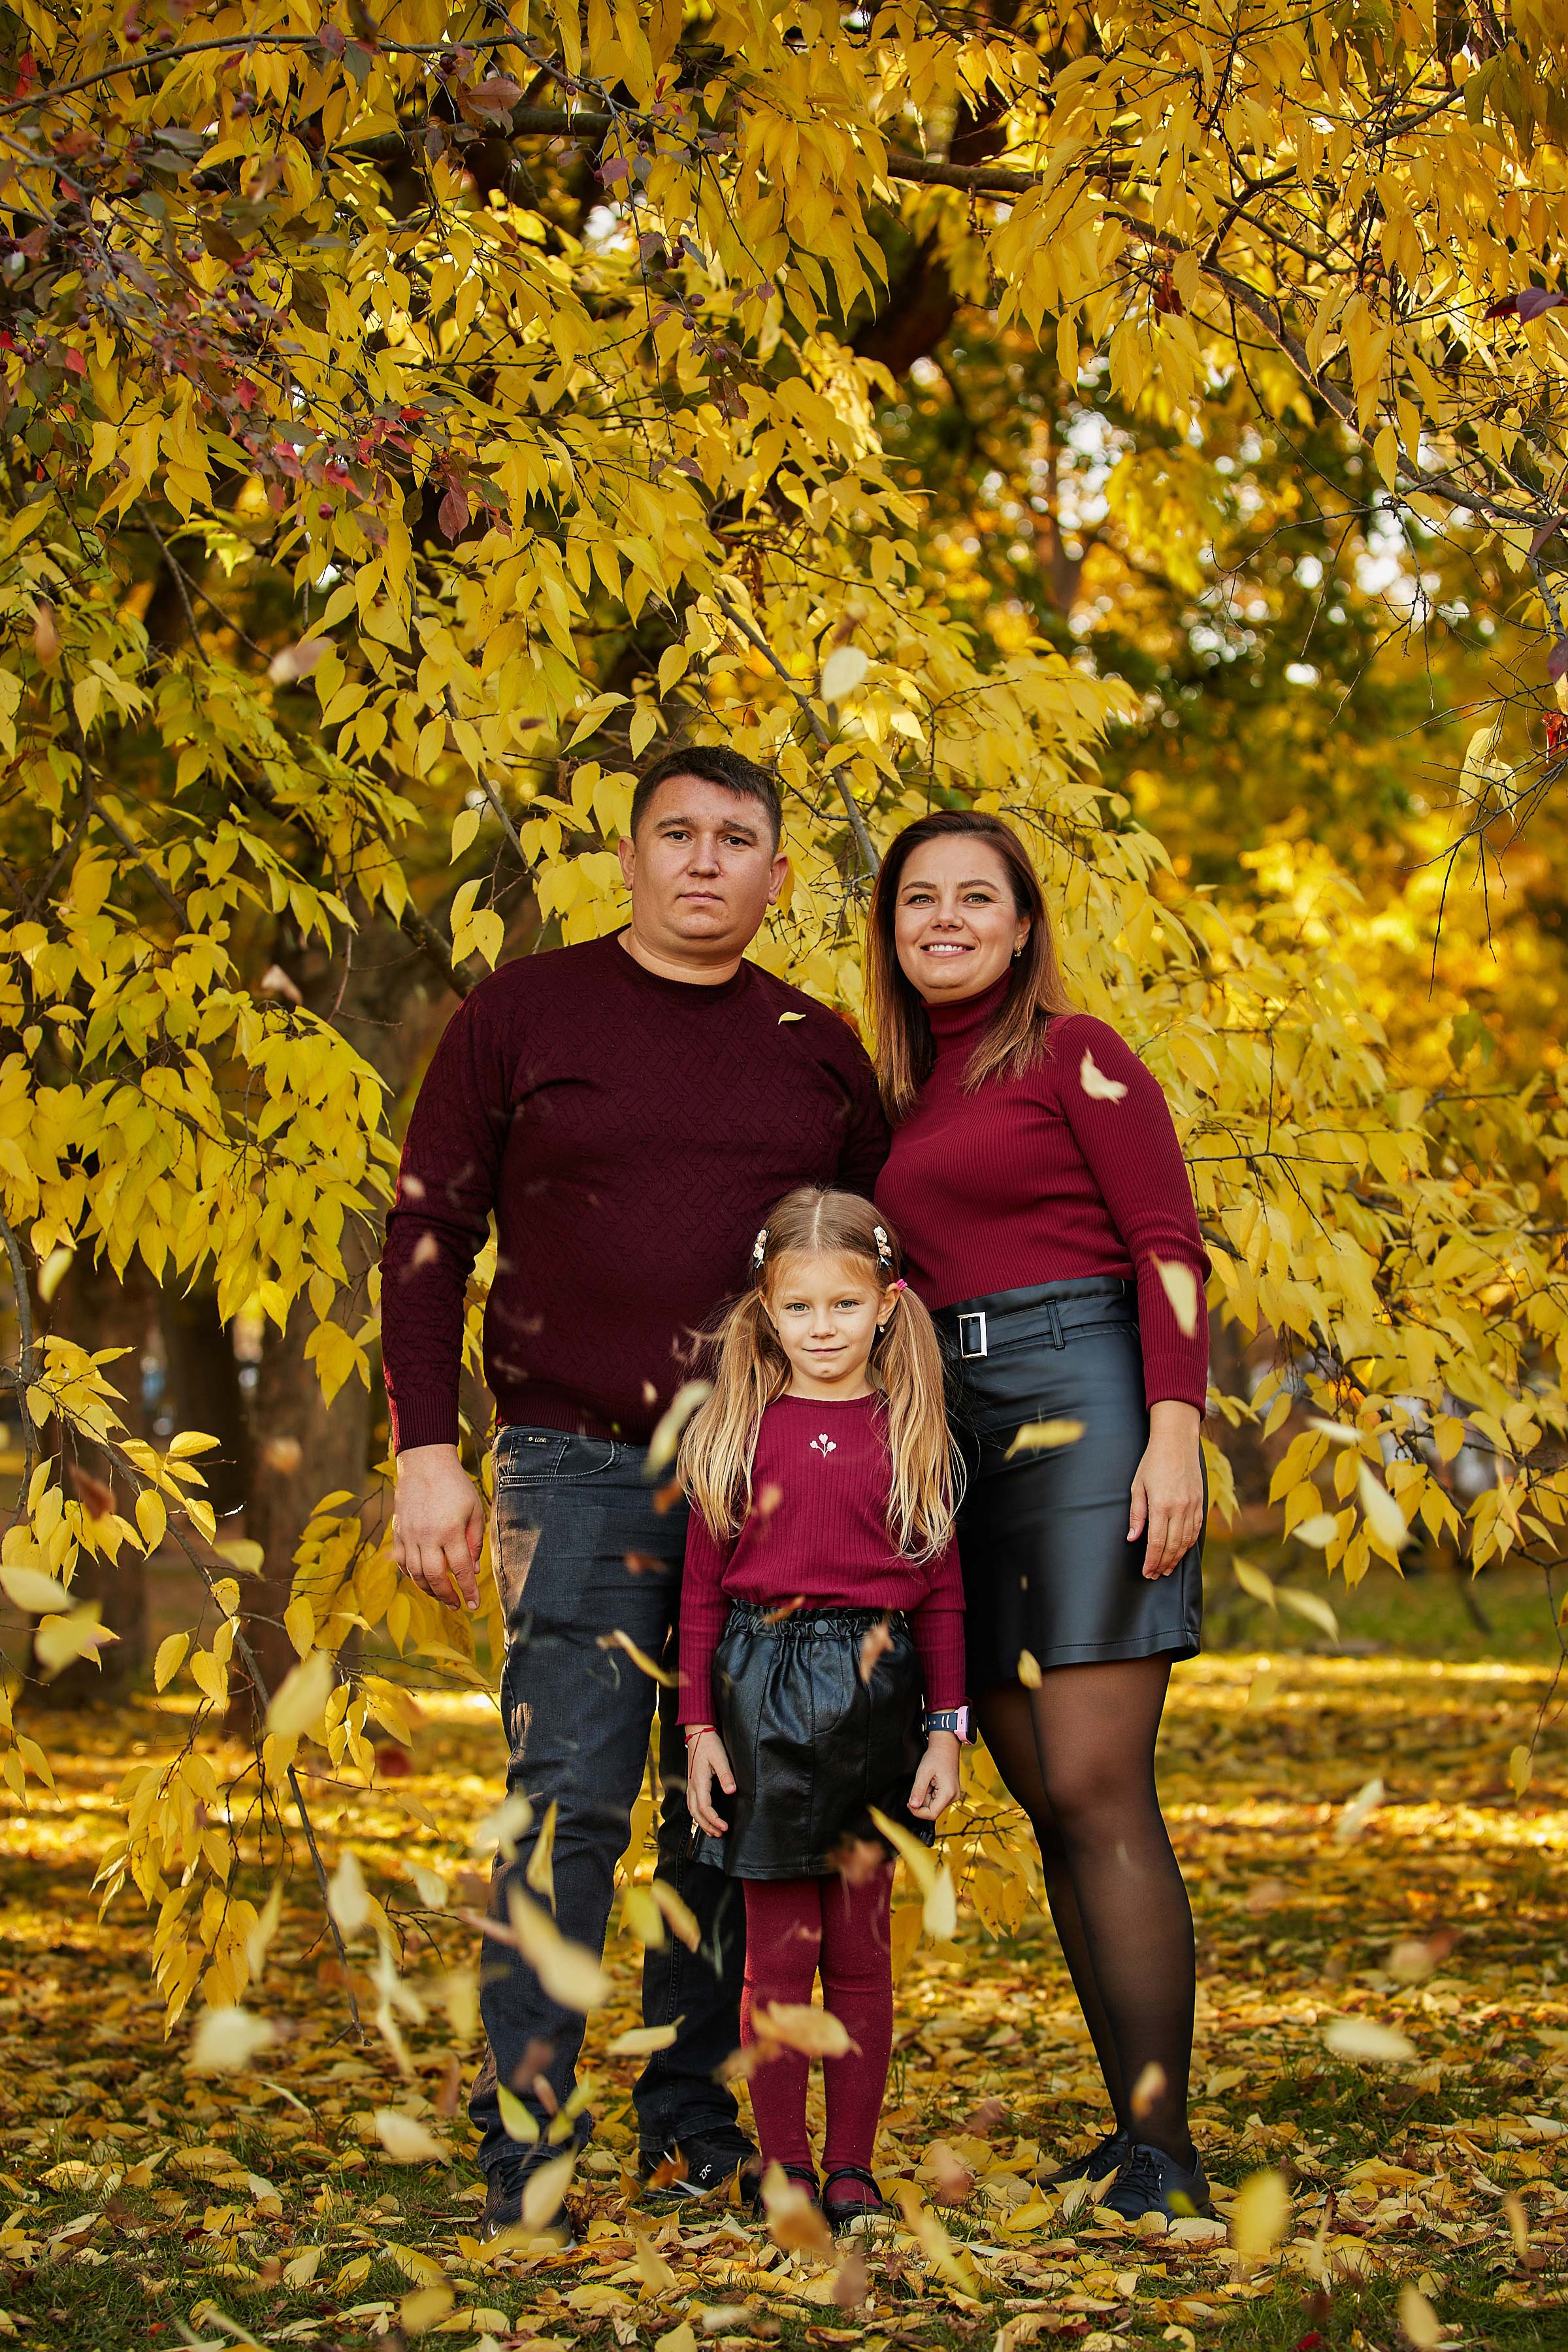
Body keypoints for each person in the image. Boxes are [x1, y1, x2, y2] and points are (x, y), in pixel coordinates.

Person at [381, 747, 889, 2240]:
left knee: (730, 1812)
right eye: (678, 834)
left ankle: (688, 2128)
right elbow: (425, 1234)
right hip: (577, 1468)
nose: (705, 862)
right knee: (571, 1806)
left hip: (765, 1486)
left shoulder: (818, 1045)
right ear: (629, 855)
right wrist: (427, 1449)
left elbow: (878, 1261)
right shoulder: (523, 1013)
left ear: (780, 877)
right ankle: (527, 2144)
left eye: (739, 840)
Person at [868, 808, 1213, 2223]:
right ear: (891, 934)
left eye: (976, 899)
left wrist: (1178, 1431)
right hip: (956, 1431)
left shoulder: (1080, 1055)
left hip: (1092, 1403)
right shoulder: (905, 1101)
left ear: (1022, 926)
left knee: (1092, 1782)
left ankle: (1171, 2156)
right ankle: (1134, 2138)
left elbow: (1169, 1244)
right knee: (1045, 1800)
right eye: (918, 902)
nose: (945, 920)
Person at [679, 1188, 967, 2230]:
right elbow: (701, 1592)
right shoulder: (736, 1429)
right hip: (759, 1692)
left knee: (860, 1948)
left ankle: (852, 2165)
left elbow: (941, 1589)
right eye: (799, 1311)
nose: (823, 1330)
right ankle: (785, 2164)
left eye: (845, 1307)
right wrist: (700, 1728)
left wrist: (949, 1725)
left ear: (888, 1305)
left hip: (876, 1698)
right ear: (766, 1312)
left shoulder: (915, 1431)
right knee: (779, 1953)